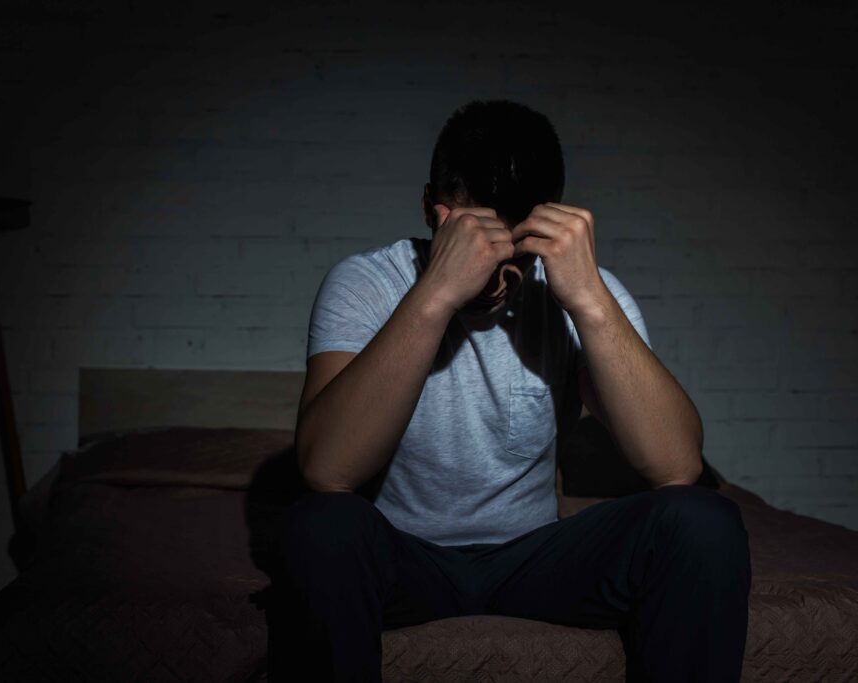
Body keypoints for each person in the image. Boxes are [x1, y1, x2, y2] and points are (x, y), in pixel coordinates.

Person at [266, 99, 751, 682]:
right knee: (317, 526)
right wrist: (437, 293)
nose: (497, 274)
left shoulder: (581, 292)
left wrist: (590, 301)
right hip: (405, 557)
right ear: (430, 211)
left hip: (535, 561)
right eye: (477, 239)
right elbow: (326, 469)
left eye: (515, 246)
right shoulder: (369, 283)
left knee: (703, 521)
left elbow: (676, 465)